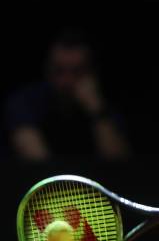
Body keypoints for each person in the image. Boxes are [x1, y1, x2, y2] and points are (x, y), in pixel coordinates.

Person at [3, 29, 130, 161]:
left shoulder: (104, 108)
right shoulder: (24, 101)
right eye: (59, 71)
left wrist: (96, 110)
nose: (67, 81)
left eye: (77, 71)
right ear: (47, 71)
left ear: (92, 74)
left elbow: (118, 165)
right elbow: (37, 164)